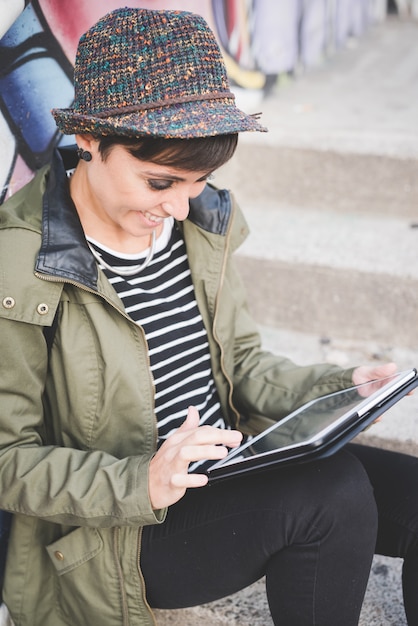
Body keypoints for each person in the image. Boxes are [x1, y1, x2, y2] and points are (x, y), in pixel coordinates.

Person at [0, 8, 417, 626]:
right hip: (120, 529)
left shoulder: (201, 220)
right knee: (333, 496)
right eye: (158, 181)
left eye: (199, 180)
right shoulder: (18, 266)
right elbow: (8, 459)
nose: (177, 206)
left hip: (230, 463)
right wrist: (143, 480)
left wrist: (341, 387)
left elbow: (243, 363)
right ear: (88, 139)